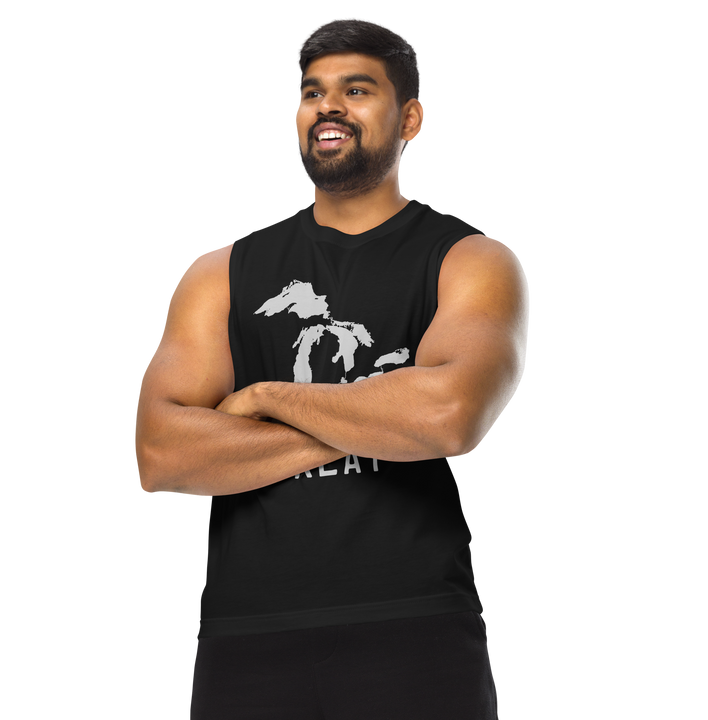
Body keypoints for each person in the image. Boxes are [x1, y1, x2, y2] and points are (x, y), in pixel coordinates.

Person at [133, 14, 530, 719]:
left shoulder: (471, 259)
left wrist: (264, 397)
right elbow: (161, 454)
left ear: (411, 119)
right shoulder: (219, 271)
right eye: (312, 92)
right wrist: (385, 417)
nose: (328, 108)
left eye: (357, 90)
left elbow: (449, 418)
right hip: (245, 635)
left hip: (416, 624)